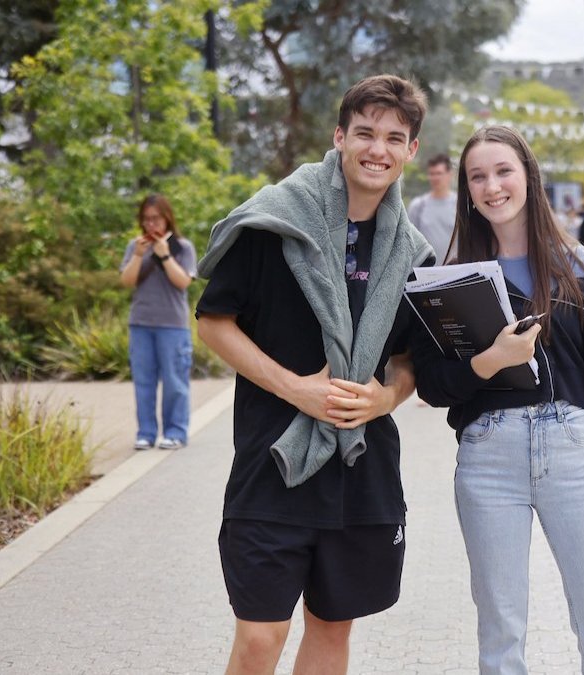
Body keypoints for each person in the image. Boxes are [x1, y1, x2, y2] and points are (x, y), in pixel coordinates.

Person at [195, 75, 434, 675]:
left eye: (394, 137)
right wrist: (295, 388)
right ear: (339, 137)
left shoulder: (413, 254)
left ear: (411, 151)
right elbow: (214, 323)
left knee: (331, 629)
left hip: (361, 468)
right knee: (260, 637)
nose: (377, 149)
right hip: (274, 462)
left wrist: (387, 399)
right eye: (365, 133)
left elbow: (408, 359)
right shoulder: (275, 222)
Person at [410, 125, 584, 675]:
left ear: (527, 176)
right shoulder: (451, 279)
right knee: (500, 631)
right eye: (478, 177)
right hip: (487, 459)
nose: (492, 187)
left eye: (503, 171)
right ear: (467, 191)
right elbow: (432, 384)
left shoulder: (576, 265)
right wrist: (491, 361)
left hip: (573, 453)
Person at [120, 194, 197, 450]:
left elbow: (183, 282)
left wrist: (164, 256)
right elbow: (127, 281)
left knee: (175, 382)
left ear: (167, 218)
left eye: (155, 218)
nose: (151, 225)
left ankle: (175, 432)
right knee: (144, 381)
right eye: (146, 219)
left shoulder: (183, 247)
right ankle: (146, 432)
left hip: (173, 326)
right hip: (140, 324)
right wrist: (138, 255)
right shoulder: (135, 246)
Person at [408, 153, 457, 262]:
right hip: (425, 273)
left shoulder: (460, 206)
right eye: (432, 174)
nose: (435, 178)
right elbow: (409, 243)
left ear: (450, 175)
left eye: (439, 173)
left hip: (455, 272)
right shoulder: (418, 206)